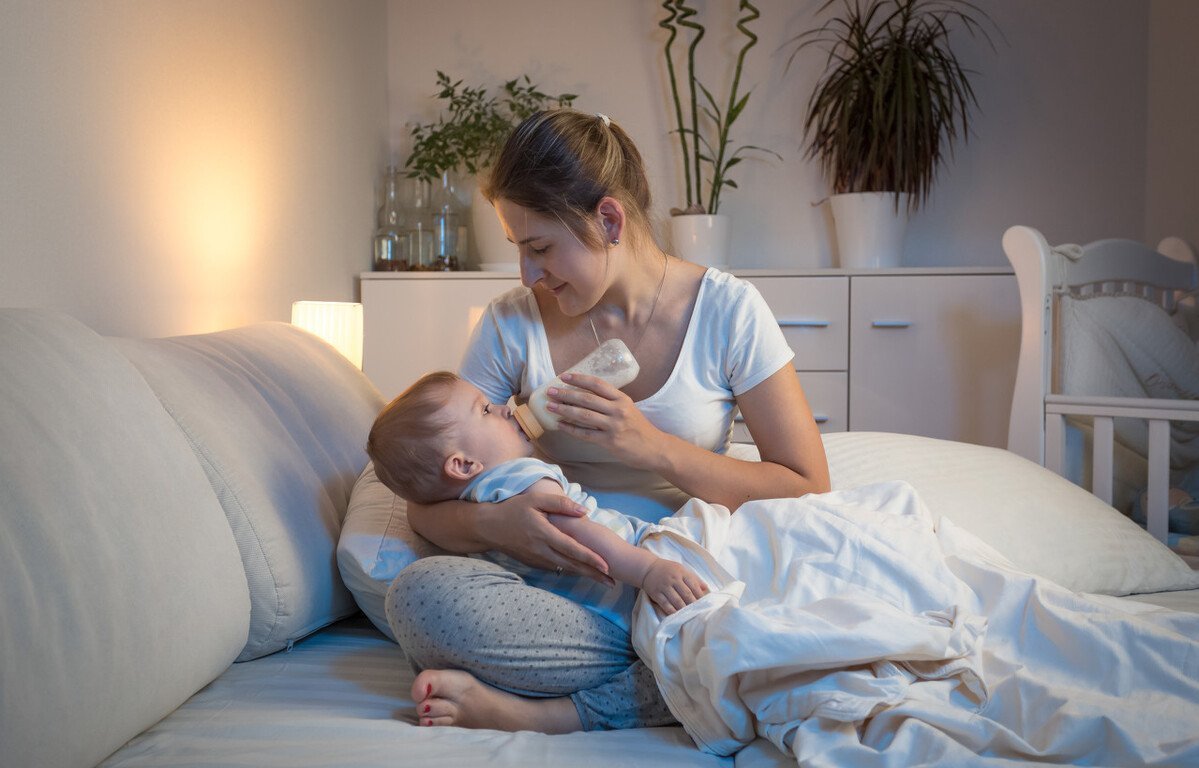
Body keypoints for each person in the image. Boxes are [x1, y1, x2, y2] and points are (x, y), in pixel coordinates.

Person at [386, 108, 830, 733]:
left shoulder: (728, 311)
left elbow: (808, 486)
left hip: (681, 577)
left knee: (763, 609)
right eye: (520, 250)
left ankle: (562, 707)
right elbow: (427, 502)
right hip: (565, 592)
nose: (528, 275)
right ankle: (698, 668)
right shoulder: (511, 323)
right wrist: (500, 522)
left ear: (609, 219)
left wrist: (654, 448)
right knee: (419, 598)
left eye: (540, 248)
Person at [367, 371, 712, 630]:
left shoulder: (476, 496)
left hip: (602, 605)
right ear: (463, 464)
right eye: (485, 410)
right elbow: (574, 531)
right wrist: (649, 569)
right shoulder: (517, 475)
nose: (506, 408)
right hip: (637, 565)